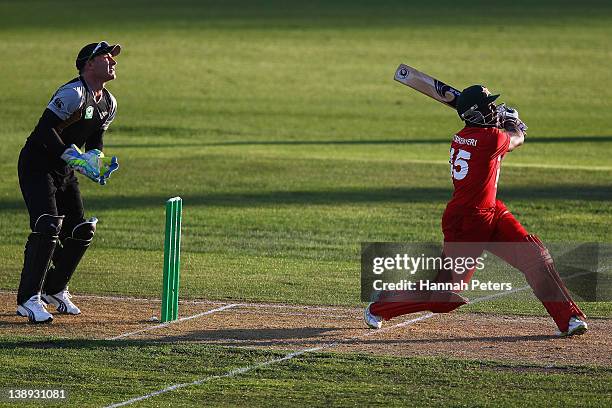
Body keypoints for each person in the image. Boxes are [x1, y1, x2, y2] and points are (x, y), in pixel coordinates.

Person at [364, 85, 588, 337]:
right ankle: (381, 304)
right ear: (475, 114)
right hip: (466, 222)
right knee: (443, 297)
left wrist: (501, 120)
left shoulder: (469, 135)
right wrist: (513, 122)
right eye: (488, 106)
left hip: (491, 211)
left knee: (535, 256)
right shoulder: (490, 138)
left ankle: (569, 318)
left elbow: (494, 140)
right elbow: (516, 138)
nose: (492, 109)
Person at [16, 41, 121, 323]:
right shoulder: (73, 93)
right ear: (89, 64)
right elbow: (44, 130)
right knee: (48, 225)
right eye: (106, 57)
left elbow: (96, 137)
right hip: (37, 166)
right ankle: (28, 299)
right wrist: (71, 156)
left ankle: (54, 289)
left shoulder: (109, 102)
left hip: (64, 170)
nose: (113, 61)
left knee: (81, 230)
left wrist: (93, 160)